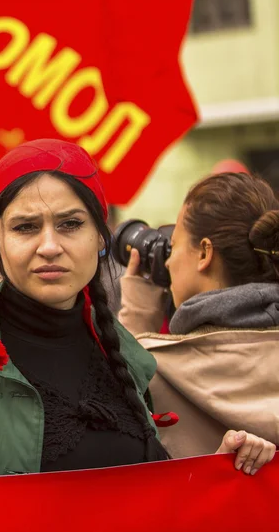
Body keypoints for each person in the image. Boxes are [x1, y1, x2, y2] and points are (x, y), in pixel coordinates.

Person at [0, 140, 275, 503]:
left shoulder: (130, 358)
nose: (49, 246)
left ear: (99, 237)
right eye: (25, 227)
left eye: (71, 224)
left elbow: (150, 507)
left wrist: (220, 470)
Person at [119, 172, 279, 461]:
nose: (167, 261)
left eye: (175, 243)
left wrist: (137, 319)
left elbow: (121, 386)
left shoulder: (156, 368)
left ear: (204, 253)